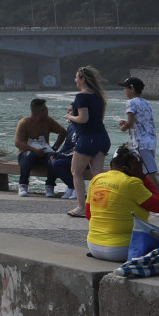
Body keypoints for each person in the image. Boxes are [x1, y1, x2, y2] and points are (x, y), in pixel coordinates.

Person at [84, 144, 159, 260]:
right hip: (121, 249)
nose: (141, 169)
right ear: (127, 168)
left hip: (94, 246)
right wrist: (143, 177)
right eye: (139, 166)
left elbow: (89, 215)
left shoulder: (97, 179)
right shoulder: (131, 183)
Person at [65, 66, 111, 218]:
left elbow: (83, 119)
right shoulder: (98, 96)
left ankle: (81, 207)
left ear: (83, 79)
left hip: (88, 138)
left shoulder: (81, 97)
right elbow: (98, 119)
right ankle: (101, 206)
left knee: (76, 172)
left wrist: (70, 117)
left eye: (77, 77)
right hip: (102, 137)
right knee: (97, 175)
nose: (75, 80)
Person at [13, 98, 74, 198]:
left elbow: (62, 132)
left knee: (54, 159)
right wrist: (34, 150)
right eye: (46, 110)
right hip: (26, 154)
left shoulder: (48, 120)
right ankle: (23, 185)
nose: (47, 111)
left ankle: (49, 185)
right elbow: (18, 143)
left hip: (43, 153)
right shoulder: (24, 123)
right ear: (39, 112)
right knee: (30, 155)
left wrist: (54, 147)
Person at [118, 77, 158, 175]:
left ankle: (156, 191)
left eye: (125, 88)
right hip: (151, 141)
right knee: (144, 171)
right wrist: (128, 123)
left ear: (132, 89)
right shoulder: (147, 103)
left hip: (140, 143)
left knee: (150, 173)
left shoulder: (131, 102)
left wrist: (123, 127)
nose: (124, 91)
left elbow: (130, 123)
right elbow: (144, 121)